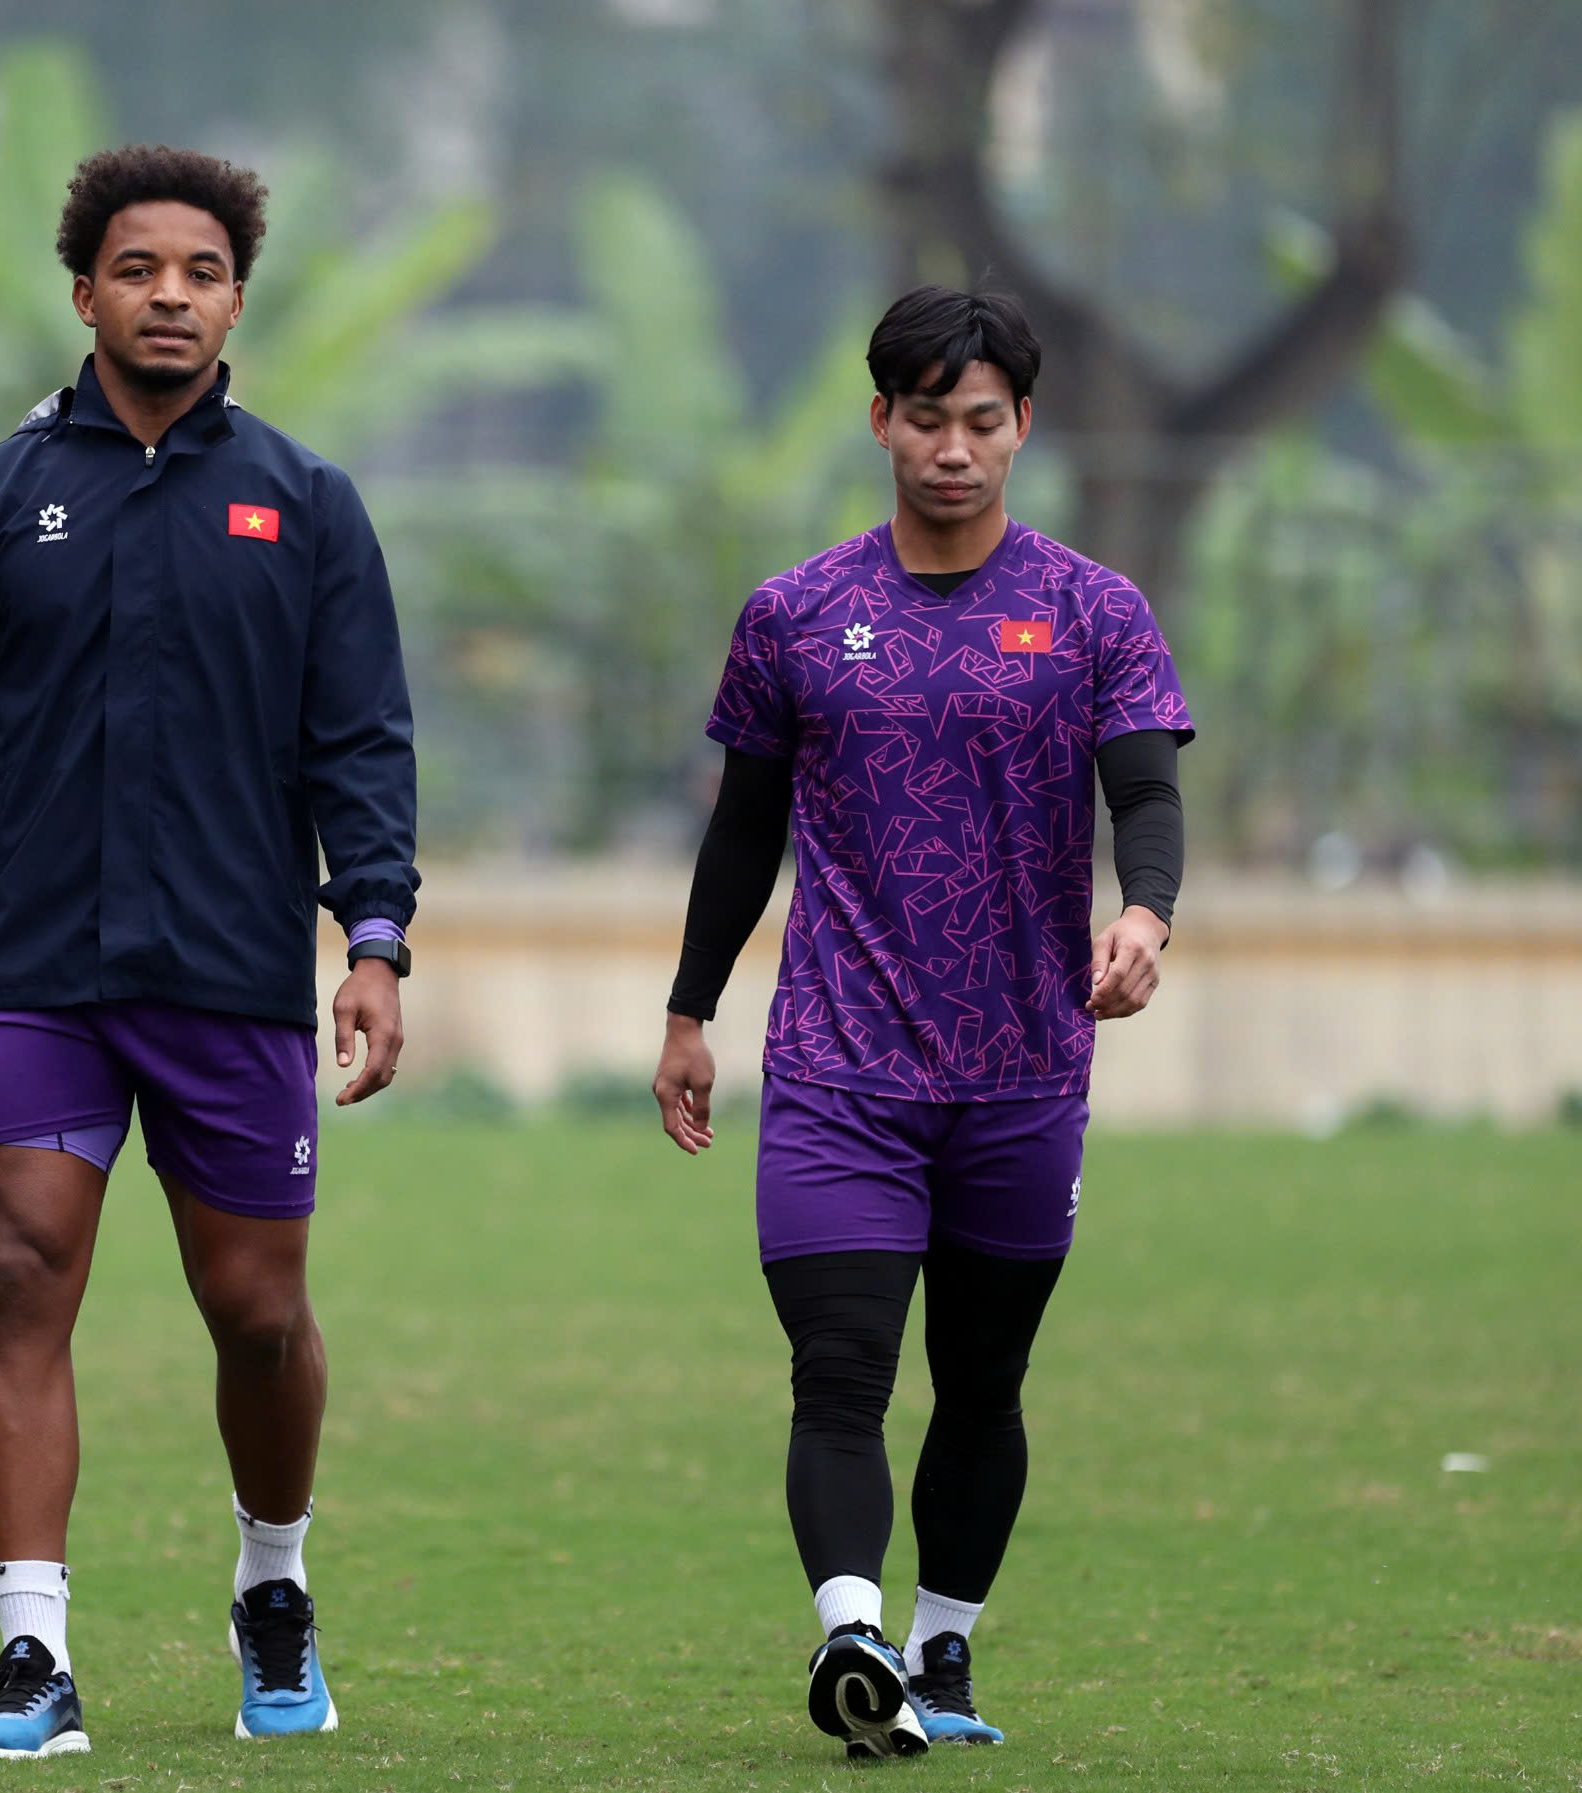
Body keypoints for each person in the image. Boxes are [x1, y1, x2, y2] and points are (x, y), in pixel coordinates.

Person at [0, 145, 417, 1760]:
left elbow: (361, 744)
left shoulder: (307, 506)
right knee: (20, 1266)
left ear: (237, 296)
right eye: (137, 269)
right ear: (84, 289)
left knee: (257, 1313)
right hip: (34, 968)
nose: (169, 295)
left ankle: (273, 1581)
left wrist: (373, 937)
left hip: (234, 972)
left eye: (201, 272)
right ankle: (32, 1654)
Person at [650, 286, 1191, 1758]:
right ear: (880, 418)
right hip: (837, 1066)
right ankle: (853, 1630)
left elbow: (1145, 792)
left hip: (1023, 1067)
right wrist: (691, 1010)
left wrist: (1145, 914)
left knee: (983, 1381)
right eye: (926, 417)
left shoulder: (1093, 611)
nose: (953, 449)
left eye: (983, 420)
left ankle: (943, 1650)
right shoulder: (798, 614)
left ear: (1022, 426)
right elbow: (740, 835)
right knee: (838, 1371)